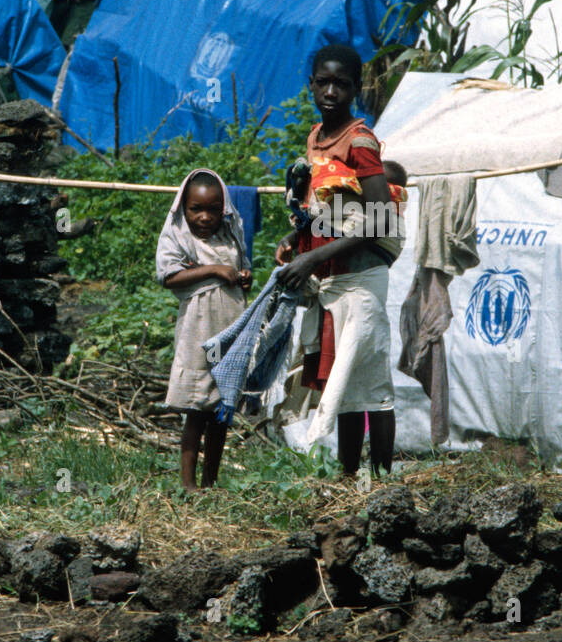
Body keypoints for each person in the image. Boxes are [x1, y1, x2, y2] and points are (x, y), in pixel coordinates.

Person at [276, 45, 402, 478]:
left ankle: (383, 480)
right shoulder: (316, 138)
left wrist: (317, 258)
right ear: (311, 83)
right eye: (323, 82)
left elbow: (381, 216)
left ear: (355, 87)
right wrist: (298, 237)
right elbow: (326, 206)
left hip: (360, 275)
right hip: (331, 277)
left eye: (341, 84)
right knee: (344, 383)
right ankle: (350, 478)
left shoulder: (360, 141)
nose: (331, 91)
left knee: (371, 384)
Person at [158, 169, 252, 491]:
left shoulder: (230, 234)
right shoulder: (179, 237)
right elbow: (169, 277)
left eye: (213, 209)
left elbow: (240, 264)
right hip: (199, 333)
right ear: (183, 208)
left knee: (220, 412)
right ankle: (188, 484)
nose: (204, 217)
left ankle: (211, 480)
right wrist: (213, 270)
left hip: (229, 329)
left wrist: (243, 276)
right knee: (196, 411)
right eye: (195, 209)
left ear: (224, 208)